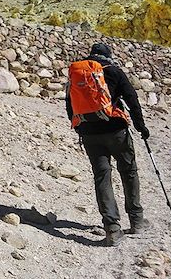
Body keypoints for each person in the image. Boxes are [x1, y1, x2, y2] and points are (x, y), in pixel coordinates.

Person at [65, 42, 150, 246]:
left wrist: (79, 127)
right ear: (108, 56)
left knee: (102, 177)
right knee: (128, 171)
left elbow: (69, 103)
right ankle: (136, 220)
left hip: (89, 133)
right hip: (116, 131)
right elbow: (132, 99)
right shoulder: (114, 71)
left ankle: (112, 229)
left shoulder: (78, 74)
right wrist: (141, 127)